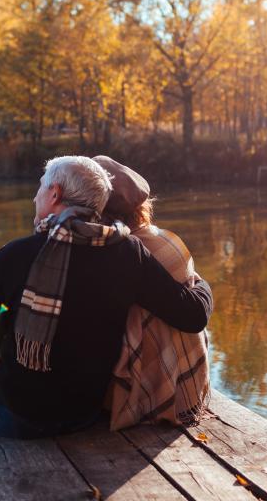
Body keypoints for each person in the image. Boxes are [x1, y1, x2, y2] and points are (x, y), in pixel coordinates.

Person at [0, 155, 212, 439]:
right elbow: (193, 315)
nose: (34, 197)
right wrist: (200, 283)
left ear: (55, 194)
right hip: (84, 413)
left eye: (40, 187)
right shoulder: (128, 252)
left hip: (15, 416)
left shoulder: (13, 257)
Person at [94, 156, 210, 431]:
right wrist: (204, 284)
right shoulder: (165, 238)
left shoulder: (124, 252)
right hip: (188, 386)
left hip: (150, 395)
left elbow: (192, 314)